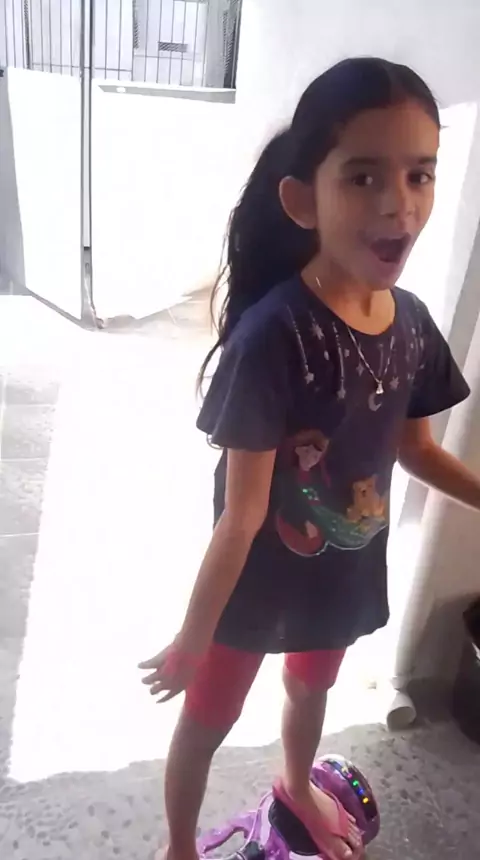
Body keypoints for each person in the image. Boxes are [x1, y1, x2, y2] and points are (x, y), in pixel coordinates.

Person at [139, 57, 480, 860]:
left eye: (420, 174)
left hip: (342, 572)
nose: (399, 204)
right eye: (363, 177)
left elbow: (417, 449)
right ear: (303, 200)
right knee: (208, 719)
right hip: (251, 585)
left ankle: (296, 784)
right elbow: (241, 517)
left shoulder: (412, 325)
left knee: (311, 689)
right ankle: (178, 846)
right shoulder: (273, 336)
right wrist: (193, 636)